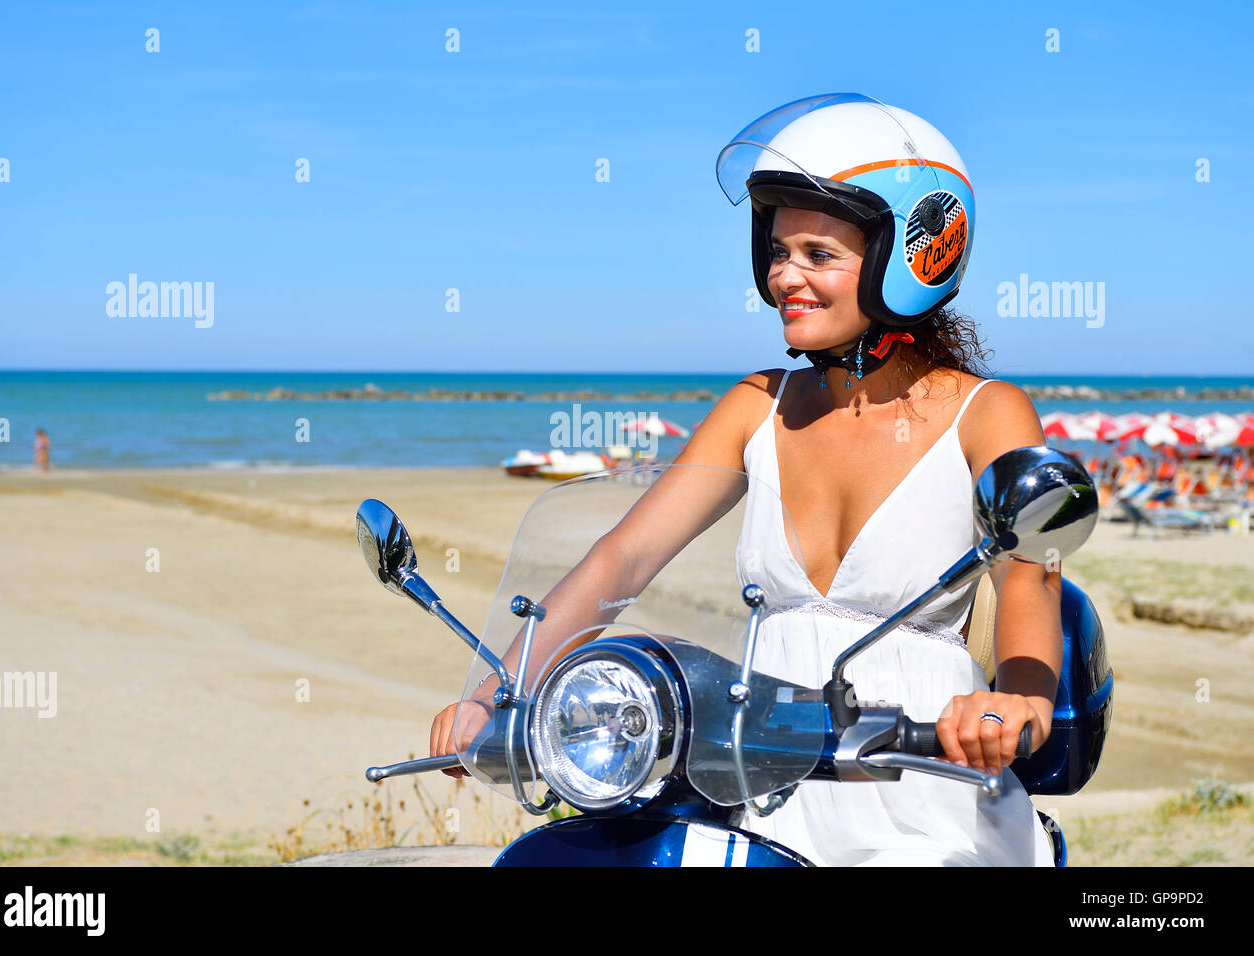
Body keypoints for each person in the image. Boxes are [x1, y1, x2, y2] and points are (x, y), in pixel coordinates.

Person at [431, 93, 1061, 866]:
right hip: (760, 782)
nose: (784, 275)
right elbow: (622, 559)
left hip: (926, 783)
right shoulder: (756, 406)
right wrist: (497, 693)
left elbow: (1033, 578)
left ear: (913, 259)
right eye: (777, 249)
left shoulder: (988, 414)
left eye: (818, 255)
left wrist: (1021, 701)